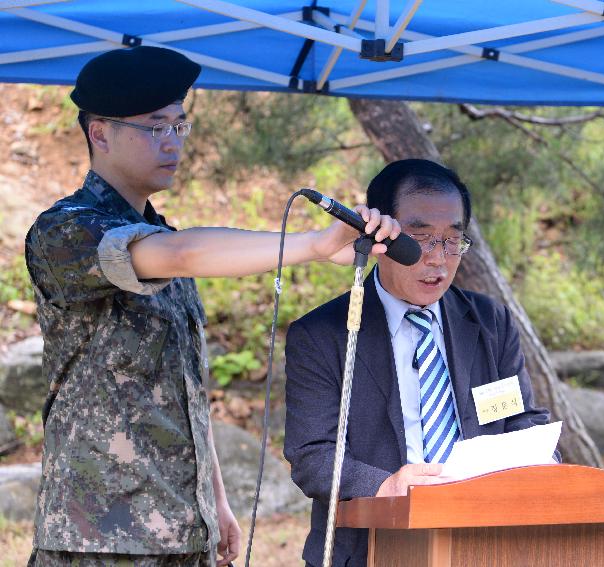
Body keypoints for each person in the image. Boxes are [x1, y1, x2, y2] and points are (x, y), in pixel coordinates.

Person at [24, 46, 400, 567]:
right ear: (100, 132)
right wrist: (313, 244)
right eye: (155, 127)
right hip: (99, 538)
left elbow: (187, 391)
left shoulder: (166, 241)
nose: (172, 142)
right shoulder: (65, 230)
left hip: (183, 529)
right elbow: (181, 253)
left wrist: (216, 501)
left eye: (180, 126)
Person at [284, 159, 557, 567]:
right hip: (369, 548)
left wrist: (542, 459)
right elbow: (312, 456)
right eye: (421, 238)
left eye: (452, 241)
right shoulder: (324, 333)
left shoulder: (489, 322)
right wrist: (386, 485)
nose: (438, 259)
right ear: (382, 234)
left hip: (483, 542)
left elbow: (517, 417)